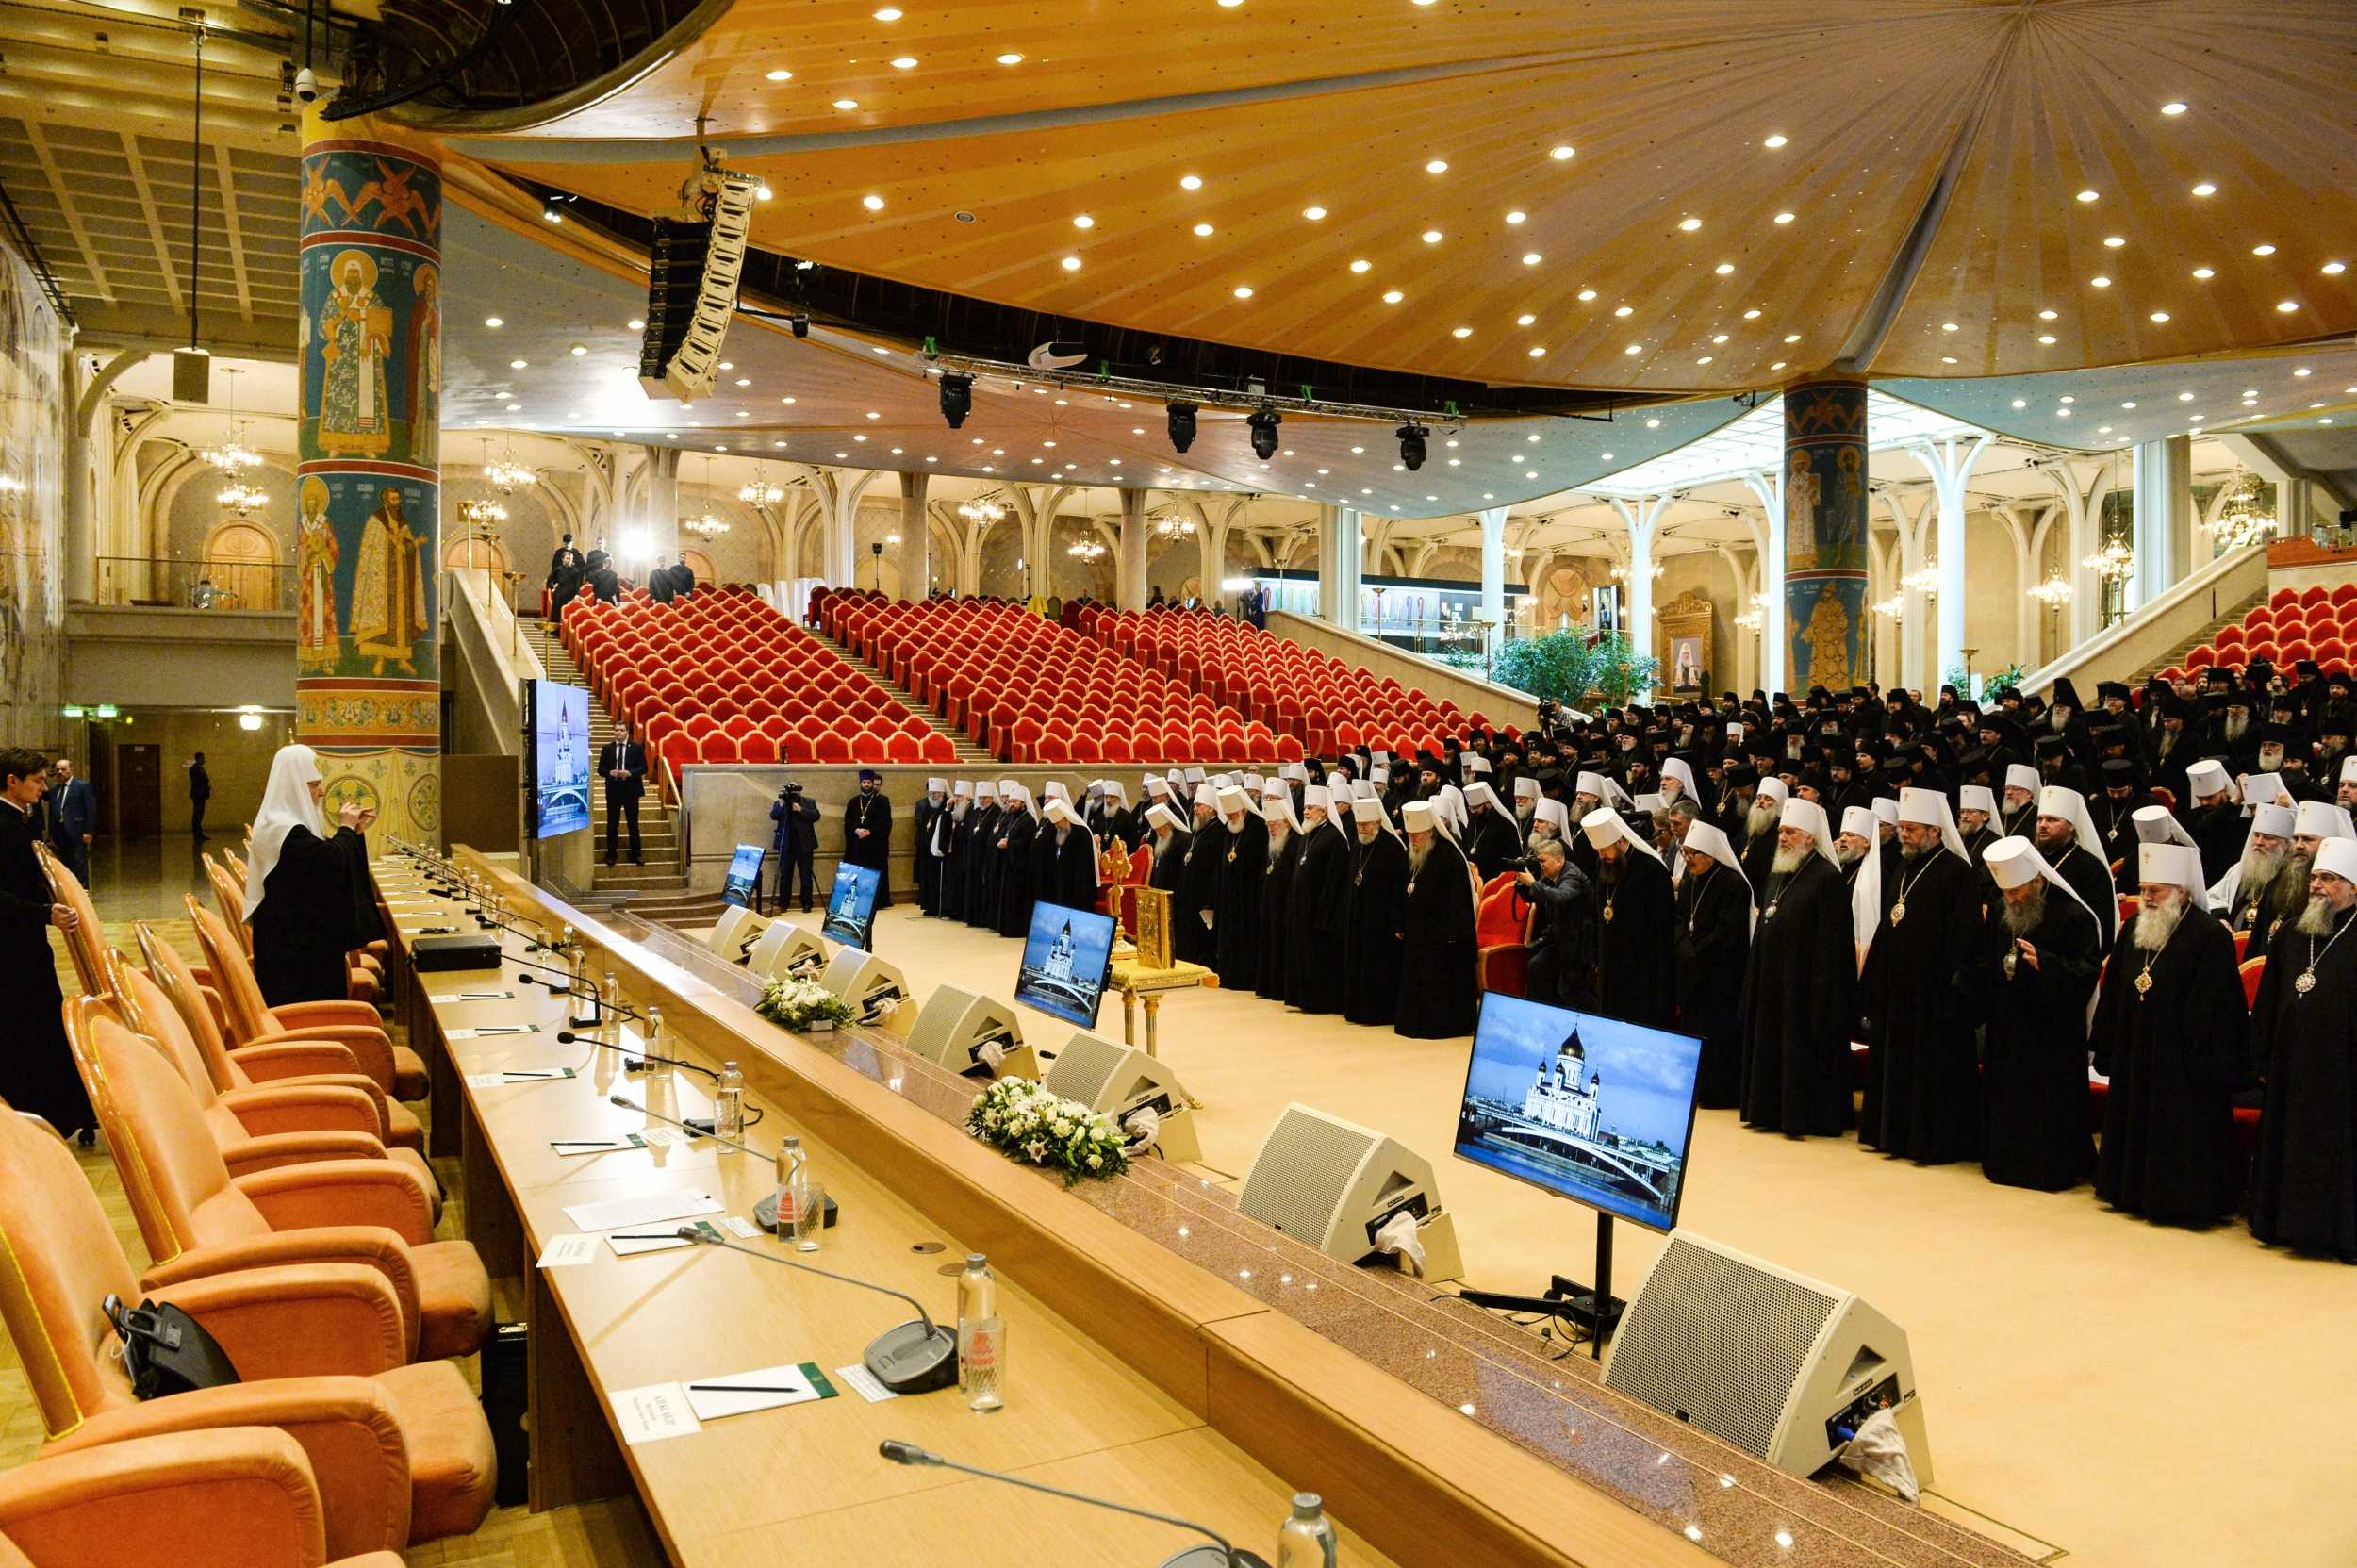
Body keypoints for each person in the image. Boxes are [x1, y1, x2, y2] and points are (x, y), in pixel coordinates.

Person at [2090, 843, 2246, 1227]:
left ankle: (2176, 1201)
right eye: (2143, 889)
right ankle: (2130, 1190)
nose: (2146, 897)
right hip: (2135, 1047)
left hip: (2182, 1059)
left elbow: (2216, 1007)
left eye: (2155, 891)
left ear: (2181, 892)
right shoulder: (2133, 930)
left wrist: (2194, 1052)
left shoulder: (2209, 936)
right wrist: (2109, 1042)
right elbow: (2114, 989)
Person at [1970, 836, 2102, 1192]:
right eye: (2005, 893)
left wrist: (2047, 964)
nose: (2010, 900)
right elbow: (1988, 960)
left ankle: (2047, 1168)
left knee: (2045, 1103)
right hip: (2007, 1023)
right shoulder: (2003, 912)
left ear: (2037, 880)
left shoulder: (2073, 916)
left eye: (2016, 892)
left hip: (2050, 1030)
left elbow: (2087, 971)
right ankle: (2003, 1161)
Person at [2247, 836, 2357, 1262]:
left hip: (2341, 1067)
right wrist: (2261, 1056)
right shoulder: (2292, 933)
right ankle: (2283, 1224)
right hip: (2290, 1063)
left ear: (2353, 888)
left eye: (2328, 879)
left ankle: (2335, 1234)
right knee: (2288, 1142)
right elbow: (2269, 999)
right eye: (2315, 878)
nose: (2316, 886)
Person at [1858, 787, 1982, 1164]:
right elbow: (1889, 924)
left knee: (1928, 1068)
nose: (1905, 834)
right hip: (1897, 987)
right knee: (1894, 1063)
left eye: (1912, 829)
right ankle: (1891, 1134)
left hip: (1933, 993)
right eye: (1903, 828)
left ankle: (1927, 1142)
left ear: (1935, 831)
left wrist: (1948, 985)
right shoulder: (1903, 867)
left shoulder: (1958, 873)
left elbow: (1965, 936)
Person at [1737, 798, 1857, 1138]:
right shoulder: (1778, 872)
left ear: (1811, 837)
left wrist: (1820, 995)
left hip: (1805, 985)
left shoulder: (1827, 877)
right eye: (1782, 832)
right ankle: (1767, 1111)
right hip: (1771, 979)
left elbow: (1831, 946)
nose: (1783, 838)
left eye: (1790, 832)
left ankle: (1800, 1116)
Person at [242, 744, 383, 1007]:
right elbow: (329, 865)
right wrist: (346, 828)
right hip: (294, 958)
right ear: (293, 786)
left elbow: (324, 858)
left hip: (300, 943)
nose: (321, 791)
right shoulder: (282, 829)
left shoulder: (284, 826)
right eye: (314, 785)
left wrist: (353, 832)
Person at [0, 747, 93, 1143]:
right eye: (37, 781)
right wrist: (44, 912)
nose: (43, 788)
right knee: (27, 1030)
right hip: (11, 950)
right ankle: (39, 1114)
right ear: (12, 781)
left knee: (37, 1026)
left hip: (24, 945)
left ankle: (54, 1113)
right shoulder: (3, 825)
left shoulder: (18, 819)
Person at [1675, 821, 1753, 1109]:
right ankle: (1694, 1089)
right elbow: (1679, 919)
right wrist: (1684, 948)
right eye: (1684, 853)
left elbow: (1728, 930)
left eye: (1693, 854)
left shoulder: (1733, 884)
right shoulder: (1691, 878)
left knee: (1717, 1032)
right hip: (1692, 969)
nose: (1688, 859)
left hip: (1721, 974)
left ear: (1711, 854)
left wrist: (1695, 952)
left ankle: (1718, 1092)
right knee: (1692, 1028)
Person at [1581, 806, 1676, 1028]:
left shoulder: (1652, 870)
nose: (1601, 855)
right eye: (1597, 850)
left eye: (1604, 849)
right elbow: (1599, 914)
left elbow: (1662, 929)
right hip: (1610, 962)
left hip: (1642, 966)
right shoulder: (1603, 864)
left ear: (1621, 840)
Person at [1393, 800, 1476, 1038]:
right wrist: (1399, 921)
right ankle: (1413, 1022)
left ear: (1430, 831)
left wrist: (1448, 933)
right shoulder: (1410, 854)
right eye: (1409, 834)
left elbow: (1457, 901)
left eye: (1416, 835)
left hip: (1442, 936)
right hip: (1416, 931)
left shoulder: (1450, 857)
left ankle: (1441, 1025)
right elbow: (1400, 890)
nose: (1412, 839)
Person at [1343, 788, 1409, 1027]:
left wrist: (1396, 921)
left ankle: (1377, 1012)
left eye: (1366, 824)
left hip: (1380, 921)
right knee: (1357, 963)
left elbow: (1398, 889)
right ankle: (1356, 1009)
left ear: (1379, 822)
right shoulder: (1358, 844)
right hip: (1358, 915)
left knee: (1377, 967)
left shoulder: (1393, 848)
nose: (1361, 829)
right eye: (1359, 824)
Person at [1286, 787, 1351, 1015]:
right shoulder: (1307, 835)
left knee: (1320, 958)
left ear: (1324, 811)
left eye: (1310, 808)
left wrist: (1324, 915)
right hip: (1302, 910)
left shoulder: (1334, 839)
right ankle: (1303, 998)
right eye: (1305, 807)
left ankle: (1321, 1001)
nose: (1305, 812)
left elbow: (1333, 883)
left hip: (1321, 914)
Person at [1518, 834, 1597, 1011]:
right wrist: (1522, 882)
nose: (1541, 866)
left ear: (1559, 860)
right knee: (1536, 967)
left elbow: (1562, 896)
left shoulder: (1572, 876)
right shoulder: (1551, 875)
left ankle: (1594, 1017)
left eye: (1543, 861)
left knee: (1569, 991)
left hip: (1577, 944)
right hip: (1559, 938)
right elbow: (1532, 896)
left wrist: (1533, 884)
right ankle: (1543, 1013)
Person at [1212, 785, 1270, 989]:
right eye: (1227, 815)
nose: (1230, 818)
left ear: (1244, 809)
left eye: (1233, 815)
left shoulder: (1259, 829)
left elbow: (1258, 864)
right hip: (1229, 895)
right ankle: (1228, 975)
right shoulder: (1230, 830)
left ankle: (1245, 978)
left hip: (1249, 897)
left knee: (1246, 937)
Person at [1255, 786, 1303, 1002]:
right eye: (1268, 825)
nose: (1271, 829)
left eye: (1274, 824)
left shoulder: (1296, 842)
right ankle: (1269, 986)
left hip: (1286, 904)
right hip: (1271, 902)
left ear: (1286, 823)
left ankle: (1280, 987)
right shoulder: (1273, 843)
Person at [1176, 784, 1227, 966]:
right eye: (1195, 805)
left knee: (1201, 949)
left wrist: (1210, 904)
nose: (1195, 809)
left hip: (1203, 904)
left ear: (1212, 809)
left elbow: (1216, 872)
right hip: (1187, 902)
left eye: (1199, 806)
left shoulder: (1219, 833)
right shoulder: (1197, 832)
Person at [1036, 798, 1101, 911]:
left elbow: (1084, 866)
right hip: (1059, 883)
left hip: (1076, 886)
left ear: (1066, 818)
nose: (1056, 827)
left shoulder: (1082, 833)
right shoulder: (1055, 832)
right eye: (1054, 824)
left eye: (1058, 823)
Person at [993, 783, 1039, 938]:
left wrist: (1009, 844)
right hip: (1009, 865)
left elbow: (1027, 843)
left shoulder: (1029, 821)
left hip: (1020, 868)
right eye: (1011, 801)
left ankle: (1017, 930)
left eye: (1015, 801)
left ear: (1023, 803)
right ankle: (1006, 927)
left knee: (1017, 899)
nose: (1011, 804)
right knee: (1008, 898)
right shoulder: (1011, 818)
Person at [597, 723, 647, 867]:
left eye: (622, 730)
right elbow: (600, 770)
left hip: (631, 791)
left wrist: (629, 773)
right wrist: (609, 773)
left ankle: (635, 855)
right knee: (612, 824)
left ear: (627, 732)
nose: (619, 732)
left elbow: (643, 768)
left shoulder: (636, 748)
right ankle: (611, 854)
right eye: (616, 730)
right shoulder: (607, 748)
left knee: (633, 824)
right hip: (613, 791)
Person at [844, 767, 893, 908]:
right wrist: (856, 830)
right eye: (864, 782)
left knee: (874, 873)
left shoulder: (882, 801)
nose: (867, 785)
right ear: (860, 783)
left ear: (872, 783)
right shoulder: (853, 801)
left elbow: (886, 822)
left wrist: (871, 831)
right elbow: (847, 822)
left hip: (875, 845)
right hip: (857, 845)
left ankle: (877, 902)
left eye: (869, 782)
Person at [769, 780, 821, 912]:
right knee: (785, 875)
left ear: (800, 791)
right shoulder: (780, 802)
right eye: (791, 790)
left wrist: (801, 810)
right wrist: (781, 805)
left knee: (806, 875)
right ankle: (783, 903)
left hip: (804, 844)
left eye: (795, 790)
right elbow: (774, 816)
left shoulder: (809, 802)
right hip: (785, 844)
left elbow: (816, 816)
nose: (793, 793)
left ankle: (807, 903)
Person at [45, 758, 93, 886]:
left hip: (77, 831)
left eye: (63, 769)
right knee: (64, 863)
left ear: (71, 770)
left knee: (79, 862)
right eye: (58, 770)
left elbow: (90, 809)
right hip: (59, 832)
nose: (60, 772)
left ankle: (83, 889)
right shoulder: (54, 789)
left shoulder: (82, 786)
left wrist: (88, 831)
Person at [931, 781, 973, 919]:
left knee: (959, 884)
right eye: (956, 795)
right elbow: (945, 828)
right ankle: (950, 910)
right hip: (952, 853)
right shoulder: (955, 810)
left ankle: (958, 912)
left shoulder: (971, 811)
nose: (956, 799)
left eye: (960, 796)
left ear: (968, 798)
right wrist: (947, 810)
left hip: (962, 853)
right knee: (951, 884)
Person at [911, 778, 948, 915]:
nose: (933, 796)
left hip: (938, 849)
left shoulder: (946, 806)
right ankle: (928, 905)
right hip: (925, 847)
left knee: (936, 878)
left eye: (936, 793)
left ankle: (937, 906)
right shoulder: (926, 806)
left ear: (942, 793)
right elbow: (920, 823)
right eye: (931, 793)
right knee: (926, 877)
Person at [546, 533, 585, 625]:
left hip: (571, 591)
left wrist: (577, 594)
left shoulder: (577, 555)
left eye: (570, 559)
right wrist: (553, 586)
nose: (568, 544)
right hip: (560, 590)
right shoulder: (559, 553)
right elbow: (552, 573)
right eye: (567, 558)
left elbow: (581, 571)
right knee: (557, 611)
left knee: (569, 613)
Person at [187, 751, 212, 841]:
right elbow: (198, 782)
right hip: (198, 794)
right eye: (202, 758)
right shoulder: (195, 769)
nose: (204, 760)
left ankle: (198, 833)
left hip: (200, 794)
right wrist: (205, 786)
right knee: (197, 814)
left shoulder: (199, 768)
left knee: (199, 814)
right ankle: (197, 834)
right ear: (197, 759)